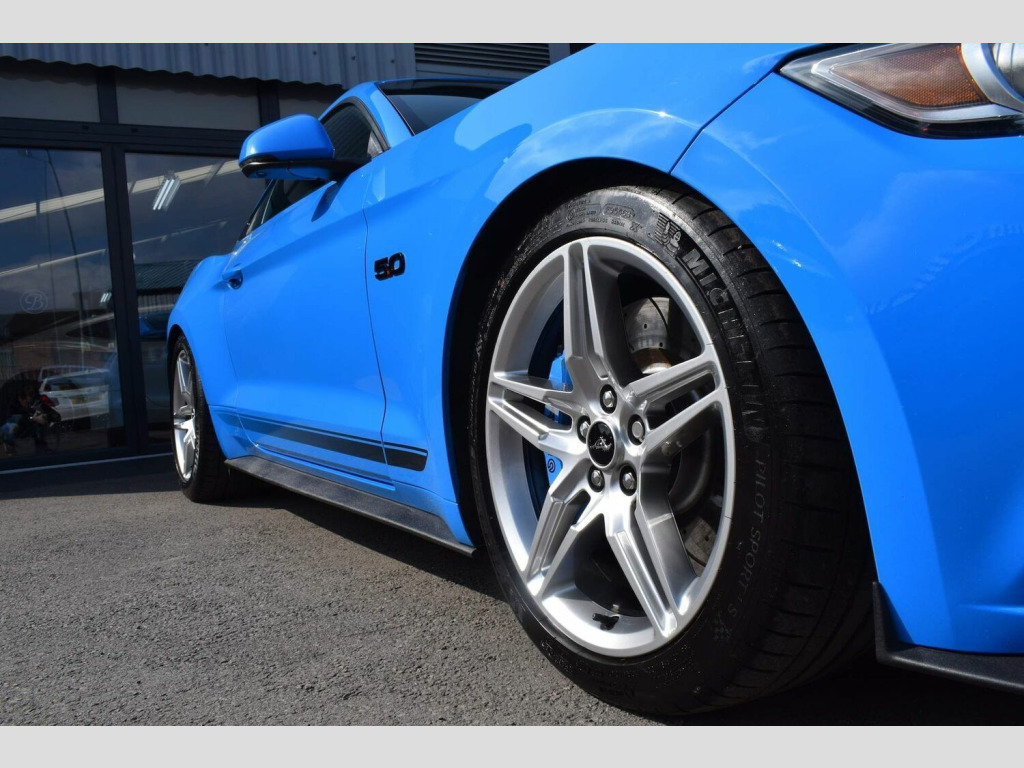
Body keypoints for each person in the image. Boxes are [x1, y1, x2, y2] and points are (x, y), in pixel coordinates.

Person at [1, 385, 57, 456]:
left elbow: (30, 413)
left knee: (38, 423)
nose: (29, 402)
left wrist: (39, 415)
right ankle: (9, 445)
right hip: (10, 425)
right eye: (28, 399)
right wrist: (33, 418)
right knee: (12, 424)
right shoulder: (12, 405)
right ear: (22, 398)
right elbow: (19, 417)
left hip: (24, 425)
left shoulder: (28, 404)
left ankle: (41, 445)